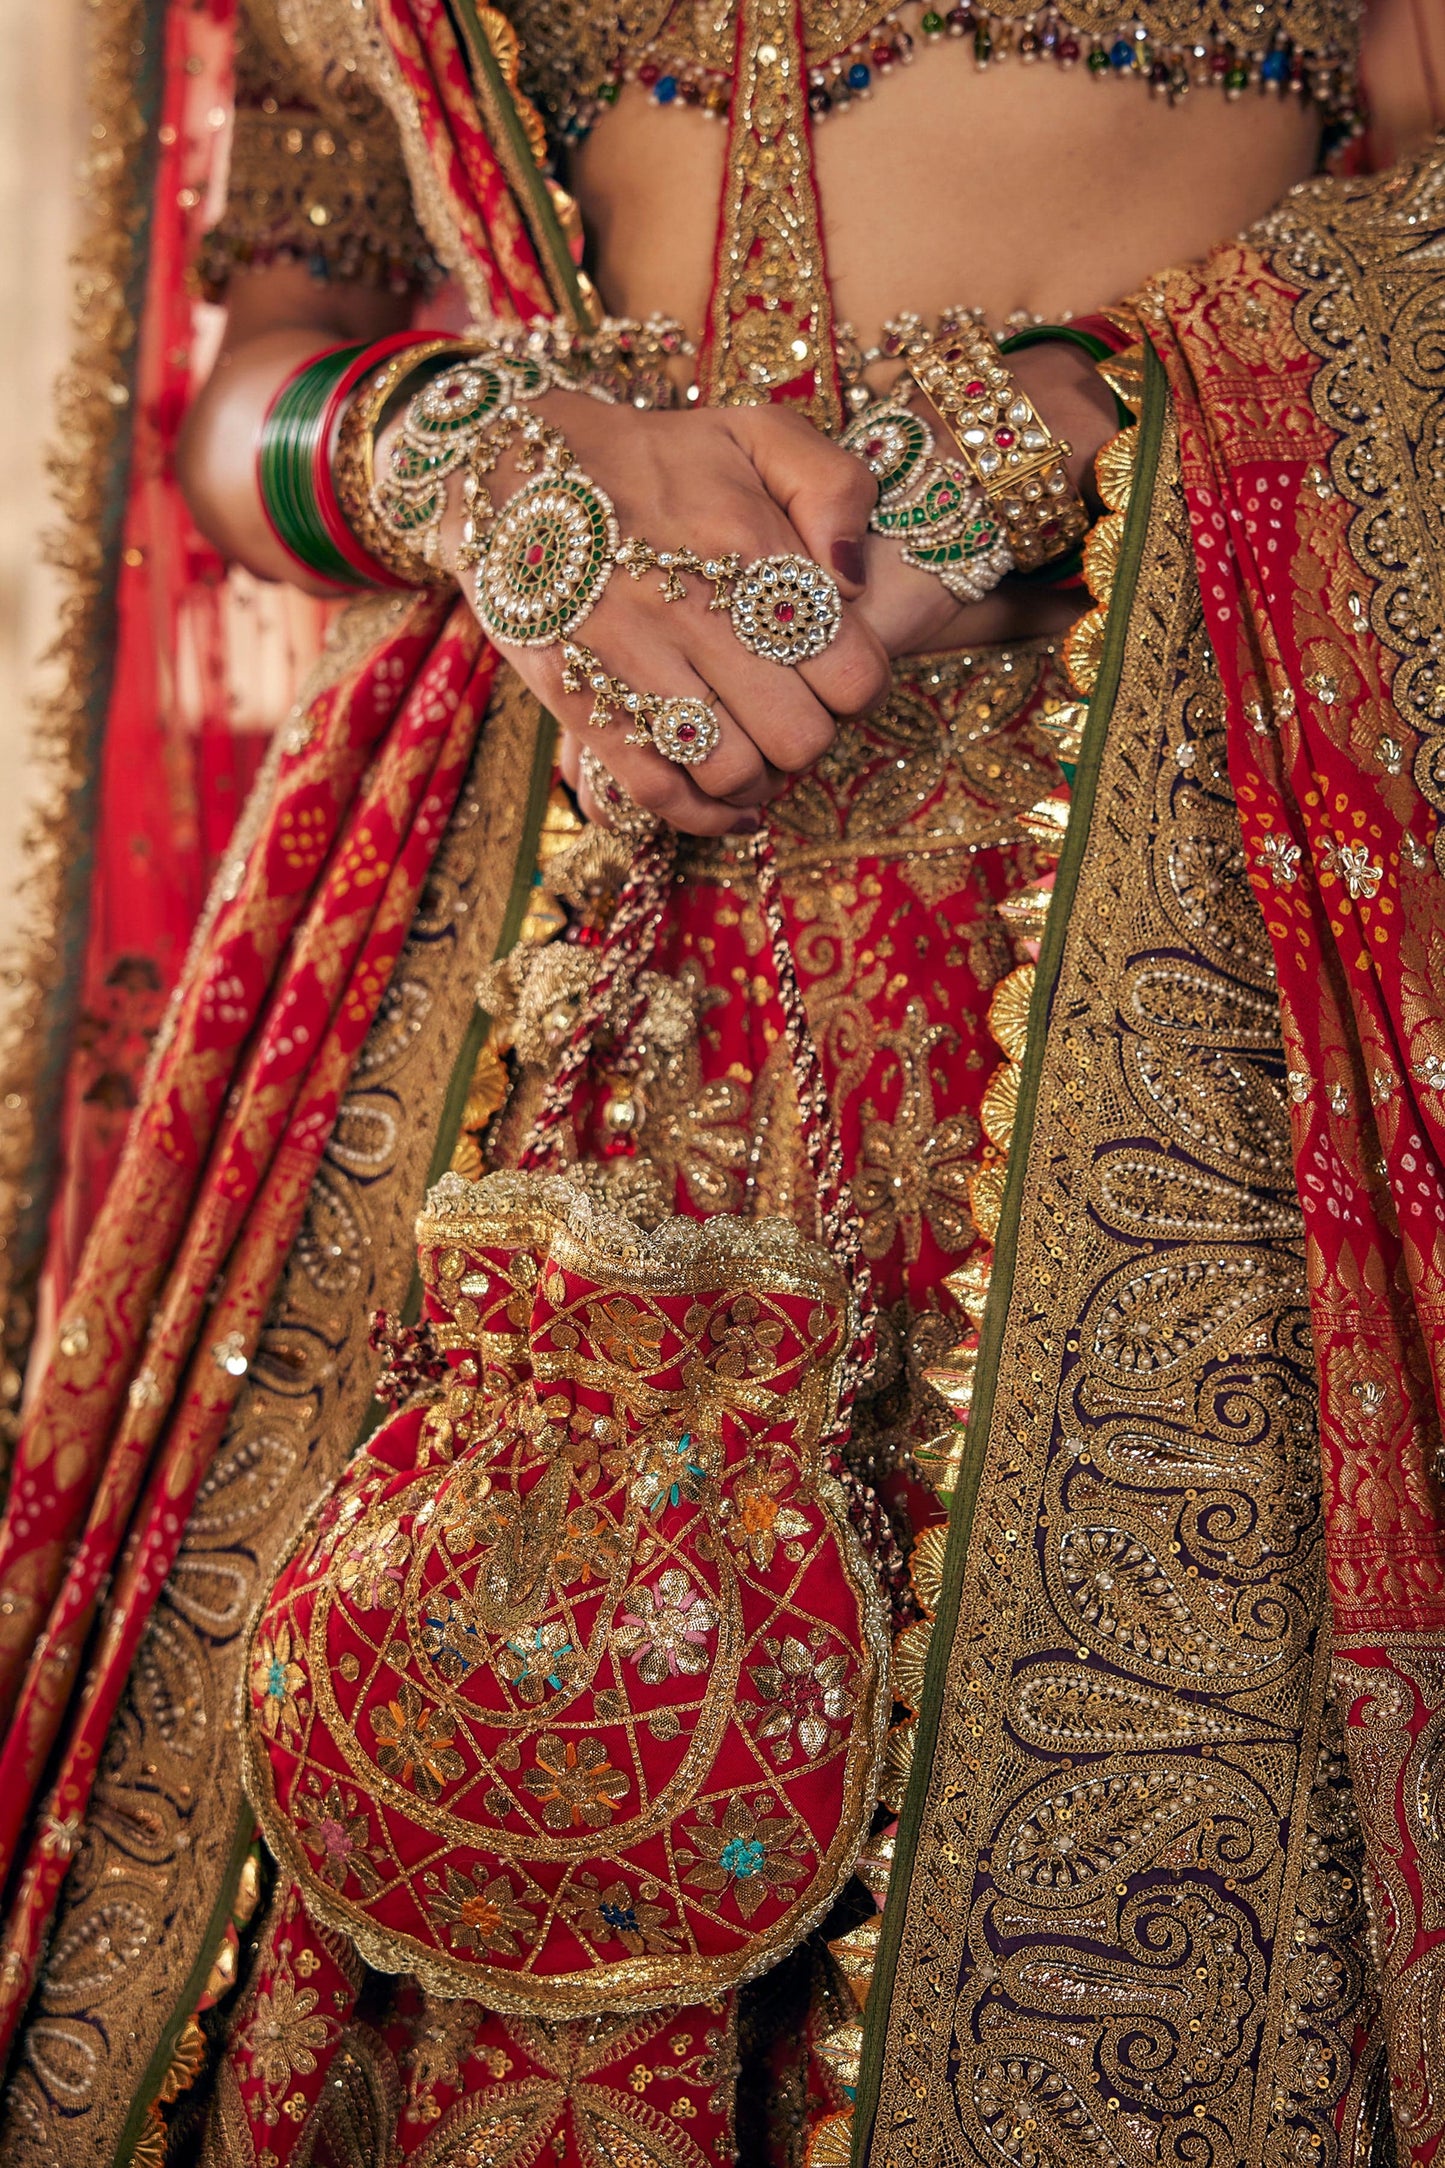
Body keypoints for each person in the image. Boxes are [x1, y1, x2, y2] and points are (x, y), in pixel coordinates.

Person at [0, 0, 1443, 2162]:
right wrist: (469, 453)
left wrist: (1059, 425)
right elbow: (249, 406)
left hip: (1165, 876)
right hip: (514, 914)